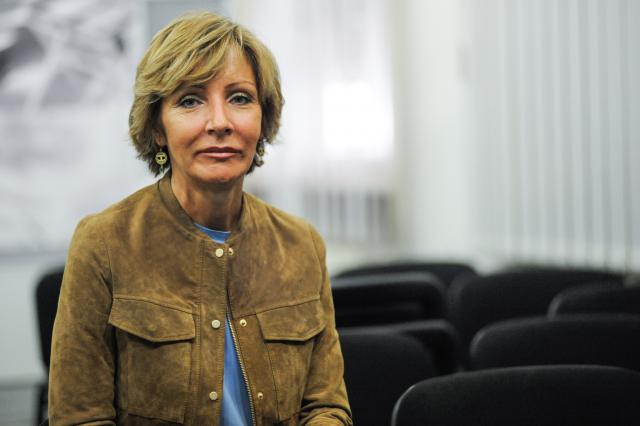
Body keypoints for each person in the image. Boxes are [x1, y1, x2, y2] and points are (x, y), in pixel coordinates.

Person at [48, 11, 352, 425]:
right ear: (157, 127)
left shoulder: (302, 244)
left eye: (239, 98)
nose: (220, 122)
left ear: (263, 119)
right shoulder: (103, 243)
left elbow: (326, 407)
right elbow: (80, 418)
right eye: (190, 100)